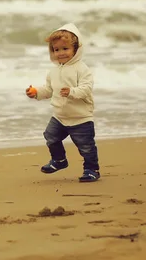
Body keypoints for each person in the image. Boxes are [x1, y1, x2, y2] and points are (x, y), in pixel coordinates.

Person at [25, 23, 100, 182]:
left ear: (76, 48)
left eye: (65, 49)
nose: (60, 53)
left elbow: (86, 89)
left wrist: (72, 92)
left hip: (81, 118)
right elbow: (49, 90)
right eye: (56, 49)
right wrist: (36, 92)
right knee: (50, 136)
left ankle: (91, 170)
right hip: (60, 116)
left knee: (86, 147)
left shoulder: (82, 69)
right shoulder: (53, 71)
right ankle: (59, 160)